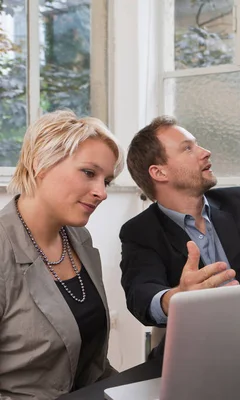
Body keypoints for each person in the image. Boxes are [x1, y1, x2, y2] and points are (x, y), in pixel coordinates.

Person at [120, 116, 240, 357]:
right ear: (159, 172)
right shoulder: (140, 231)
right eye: (188, 148)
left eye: (197, 144)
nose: (205, 152)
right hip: (196, 355)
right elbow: (141, 293)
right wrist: (176, 298)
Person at [0, 110, 124, 399]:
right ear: (40, 164)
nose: (101, 193)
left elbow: (92, 365)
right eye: (89, 173)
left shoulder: (78, 238)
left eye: (106, 181)